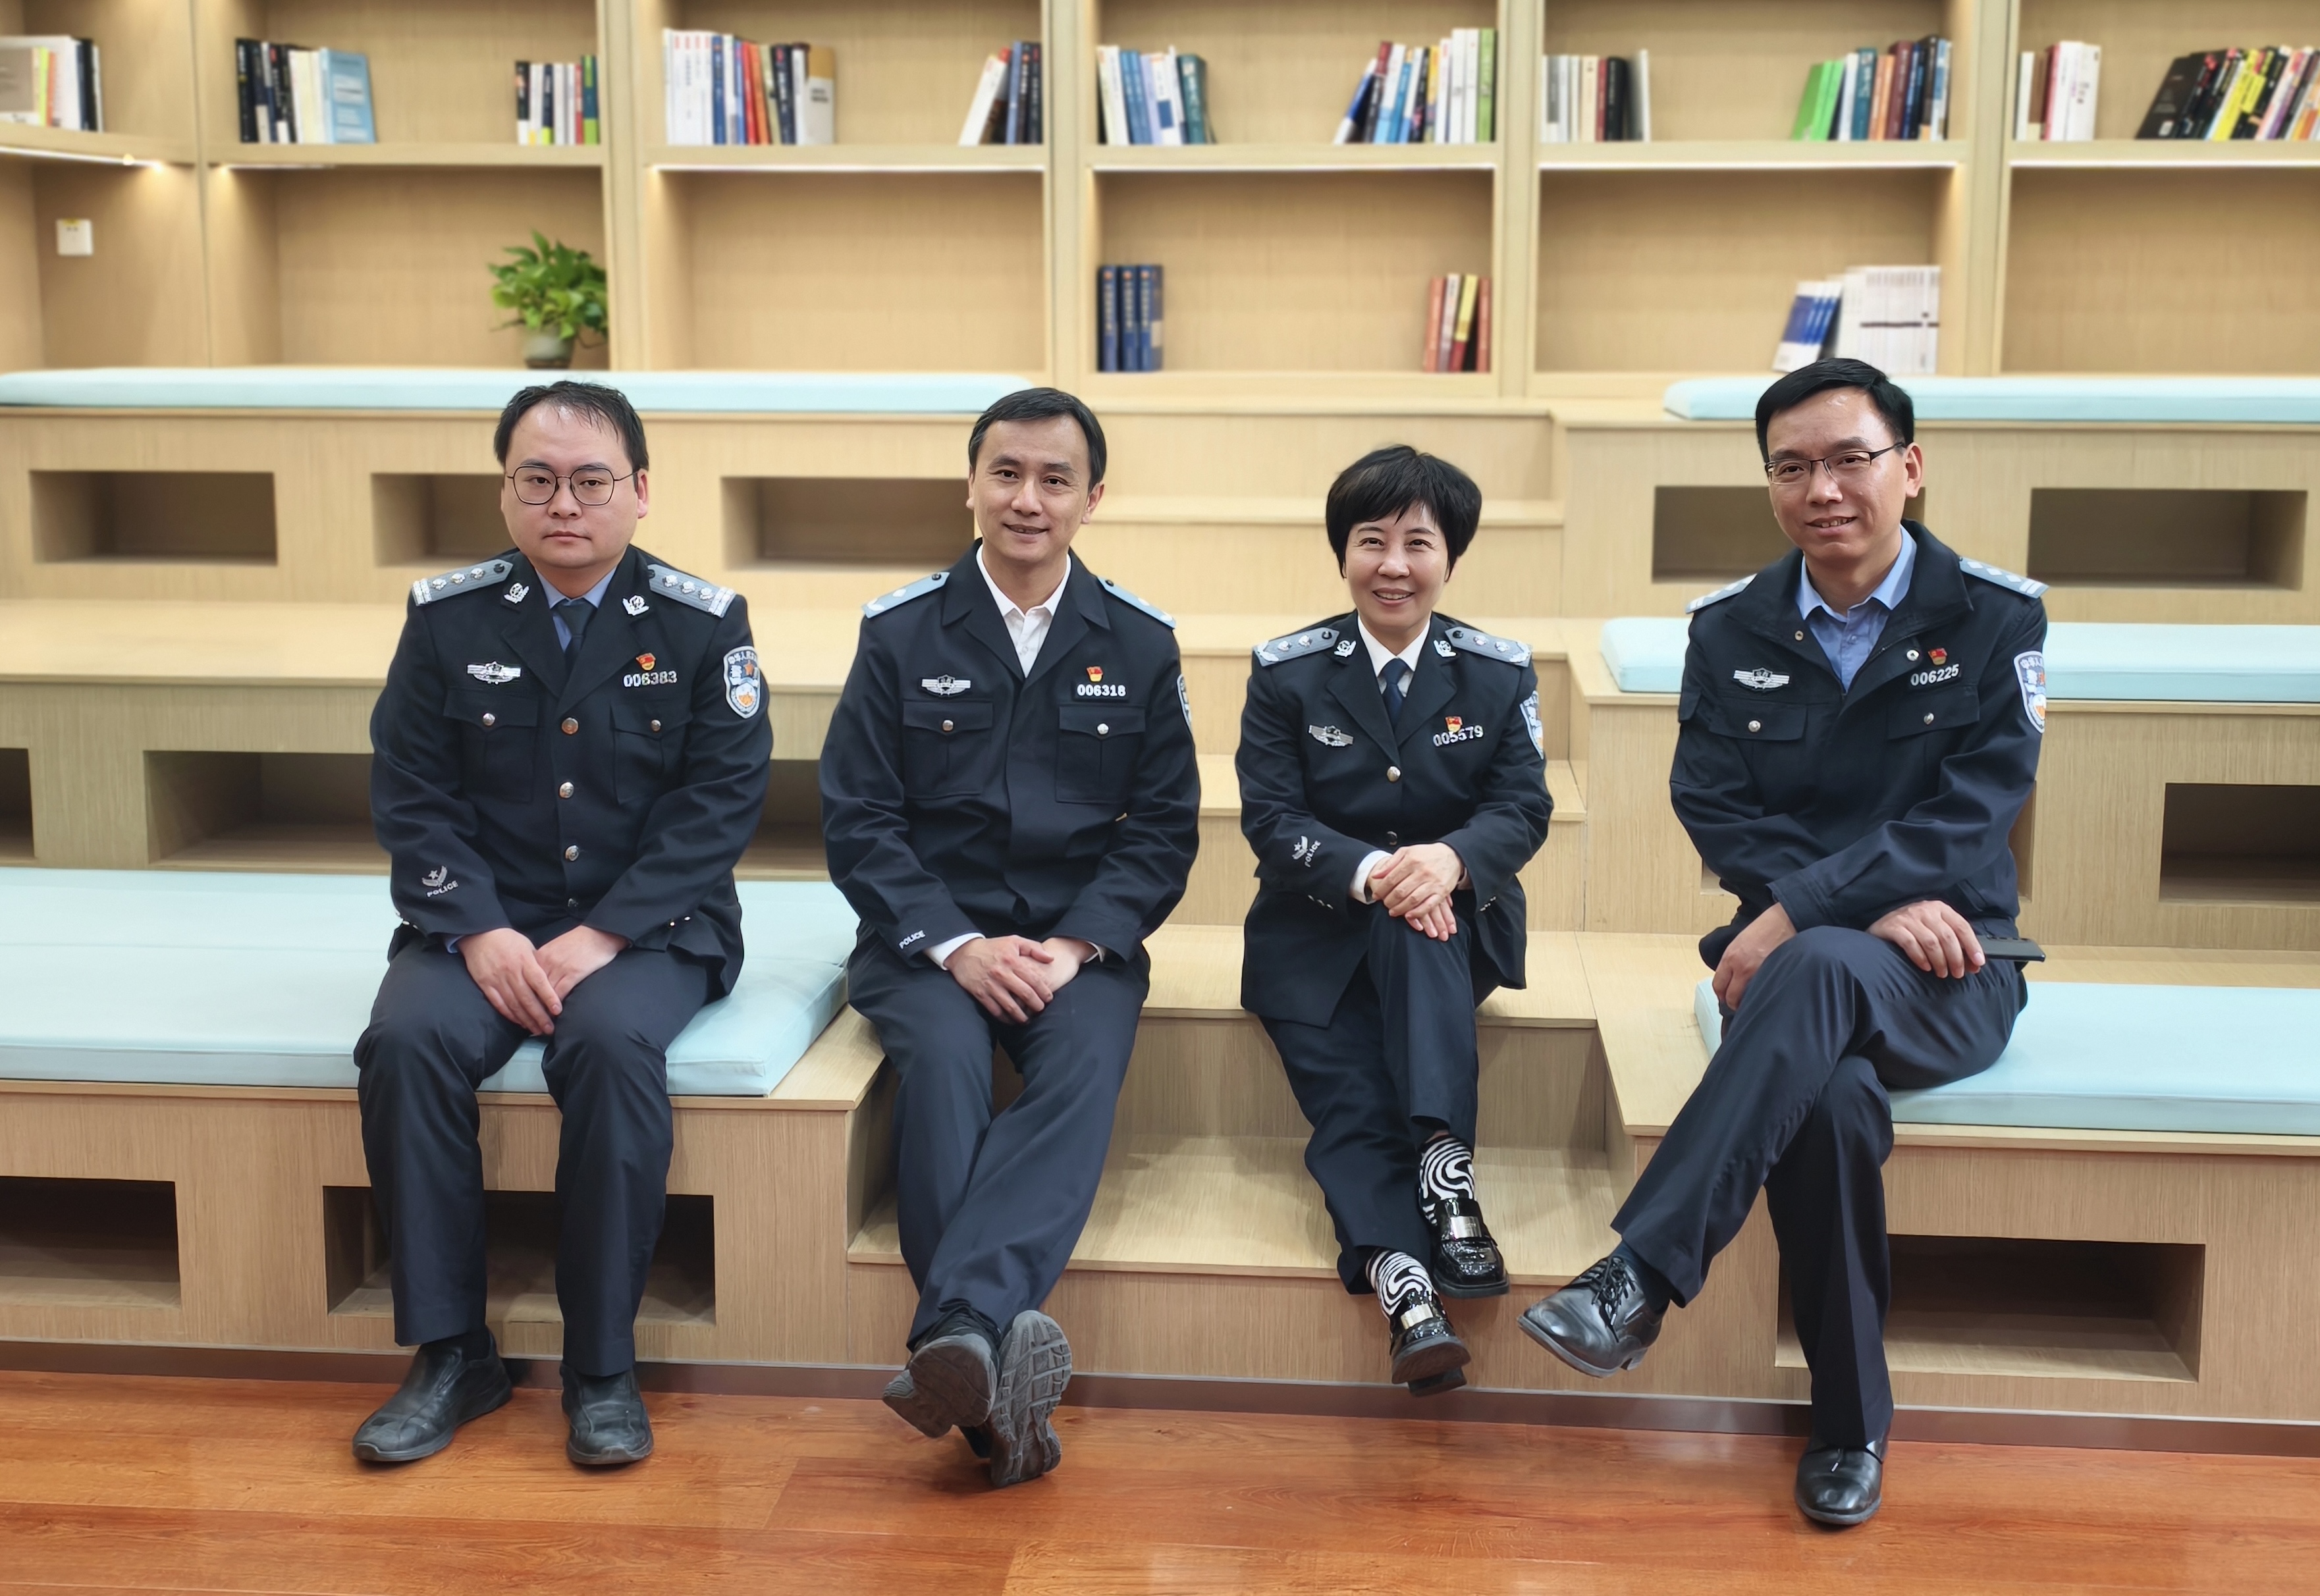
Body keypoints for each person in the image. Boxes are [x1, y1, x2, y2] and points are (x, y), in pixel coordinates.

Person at [1519, 358, 2047, 1526]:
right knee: (1832, 1101)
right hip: (1801, 970)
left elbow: (1972, 815)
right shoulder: (1731, 630)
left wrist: (1803, 908)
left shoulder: (1997, 618)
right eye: (1793, 467)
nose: (1824, 489)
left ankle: (1640, 1275)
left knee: (1809, 966)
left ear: (1910, 467)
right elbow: (1714, 805)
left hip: (1954, 968)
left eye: (1851, 460)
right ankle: (1851, 1428)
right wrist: (1846, 908)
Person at [353, 381, 771, 1468]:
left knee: (608, 1045)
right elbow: (410, 792)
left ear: (640, 490)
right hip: (484, 919)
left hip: (653, 926)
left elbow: (719, 805)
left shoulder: (701, 623)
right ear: (506, 493)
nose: (564, 503)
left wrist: (606, 935)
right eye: (536, 480)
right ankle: (453, 1353)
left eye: (591, 480)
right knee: (405, 1041)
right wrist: (478, 929)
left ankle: (601, 1365)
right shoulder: (446, 619)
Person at [819, 387, 1200, 1488]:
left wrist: (1076, 947)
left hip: (1075, 944)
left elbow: (1162, 830)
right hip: (926, 940)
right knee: (943, 1065)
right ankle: (989, 1385)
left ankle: (958, 1337)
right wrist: (956, 945)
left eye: (1054, 479)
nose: (1028, 499)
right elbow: (860, 819)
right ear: (972, 485)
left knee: (1081, 1064)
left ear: (1092, 498)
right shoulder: (900, 633)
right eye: (1007, 474)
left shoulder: (1140, 643)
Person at [1237, 446, 1552, 1396]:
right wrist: (1378, 873)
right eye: (1372, 541)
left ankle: (1432, 1203)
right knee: (1351, 1097)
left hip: (1459, 926)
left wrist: (1447, 861)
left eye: (1419, 543)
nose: (1394, 565)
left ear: (1450, 557)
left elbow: (1522, 808)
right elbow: (1271, 819)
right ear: (1343, 553)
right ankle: (1411, 1279)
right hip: (1314, 934)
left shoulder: (1497, 673)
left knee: (1420, 919)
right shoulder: (1287, 674)